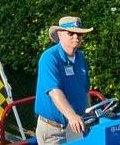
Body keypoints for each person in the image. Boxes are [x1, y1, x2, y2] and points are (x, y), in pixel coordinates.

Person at [34, 16, 93, 144]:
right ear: (60, 34)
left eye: (79, 34)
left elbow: (85, 90)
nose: (76, 37)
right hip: (54, 130)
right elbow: (54, 91)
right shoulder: (49, 58)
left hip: (76, 127)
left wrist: (88, 113)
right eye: (71, 33)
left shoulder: (81, 58)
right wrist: (72, 116)